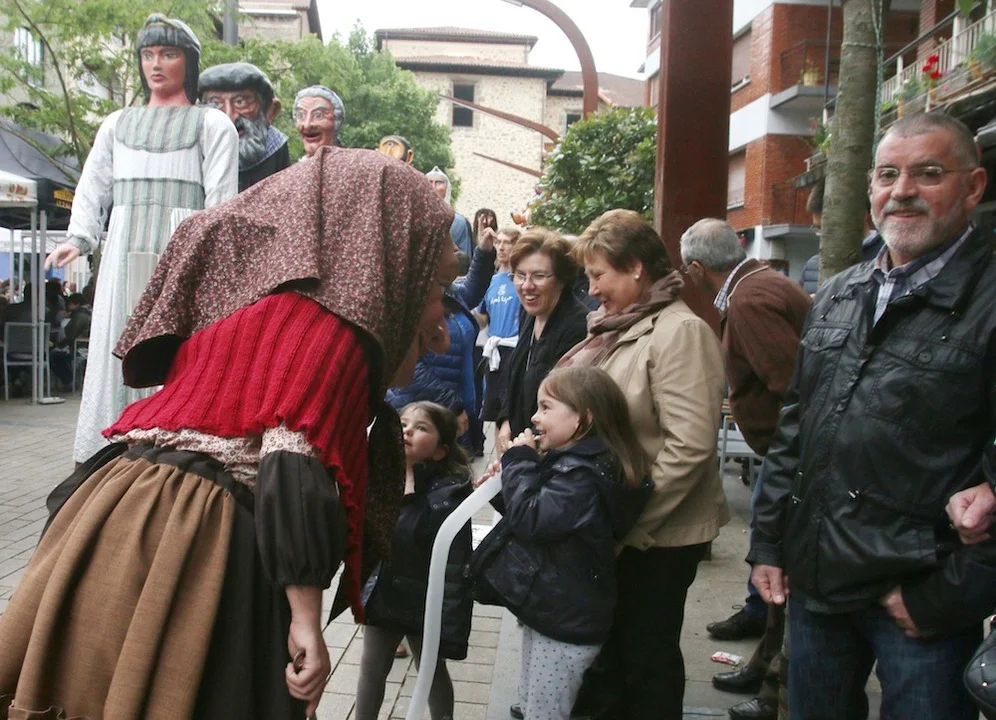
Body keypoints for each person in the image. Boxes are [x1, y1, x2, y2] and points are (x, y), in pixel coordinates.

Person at [0, 146, 458, 719]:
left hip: (115, 506)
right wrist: (306, 621)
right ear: (388, 244)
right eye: (436, 282)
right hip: (201, 534)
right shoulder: (333, 328)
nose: (439, 312)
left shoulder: (257, 305)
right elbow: (291, 459)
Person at [749, 113, 996, 720]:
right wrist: (769, 543)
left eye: (928, 173)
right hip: (817, 585)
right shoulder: (840, 291)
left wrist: (950, 596)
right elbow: (795, 428)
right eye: (888, 175)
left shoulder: (987, 297)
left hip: (920, 598)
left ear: (973, 187)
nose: (902, 190)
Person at [45, 14, 239, 464]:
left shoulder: (212, 125)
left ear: (188, 62)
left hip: (181, 250)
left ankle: (174, 448)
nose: (156, 64)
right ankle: (109, 449)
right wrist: (80, 237)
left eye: (168, 54)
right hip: (123, 246)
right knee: (118, 337)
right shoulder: (116, 124)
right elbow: (93, 185)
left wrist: (213, 263)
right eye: (148, 54)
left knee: (178, 347)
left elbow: (222, 203)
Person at [565, 209, 729, 720]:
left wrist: (629, 526)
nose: (592, 290)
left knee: (645, 661)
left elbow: (689, 447)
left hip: (657, 537)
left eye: (599, 275)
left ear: (636, 267)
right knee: (617, 659)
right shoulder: (624, 325)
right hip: (623, 527)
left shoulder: (680, 332)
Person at [681, 218, 812, 720]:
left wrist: (786, 465)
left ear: (697, 269)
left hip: (791, 460)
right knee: (777, 571)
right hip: (787, 457)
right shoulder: (760, 285)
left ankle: (776, 684)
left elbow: (792, 389)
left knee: (781, 571)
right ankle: (766, 665)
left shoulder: (751, 300)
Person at [471, 365, 652, 720]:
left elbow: (532, 518)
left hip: (564, 621)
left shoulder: (581, 476)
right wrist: (506, 484)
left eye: (546, 407)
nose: (534, 417)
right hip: (553, 611)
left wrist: (519, 463)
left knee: (545, 711)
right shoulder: (575, 464)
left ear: (584, 419)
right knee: (531, 704)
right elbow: (539, 519)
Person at [355, 402, 474, 720]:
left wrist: (450, 621)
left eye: (421, 428)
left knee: (431, 671)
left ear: (440, 450)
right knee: (371, 669)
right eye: (403, 423)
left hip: (424, 601)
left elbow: (446, 555)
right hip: (385, 595)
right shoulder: (381, 475)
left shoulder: (449, 493)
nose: (406, 431)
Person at [387, 229, 497, 457]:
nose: (457, 249)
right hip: (421, 418)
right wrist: (453, 406)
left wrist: (484, 253)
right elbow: (413, 371)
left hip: (449, 414)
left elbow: (471, 292)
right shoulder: (411, 299)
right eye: (450, 245)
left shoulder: (447, 292)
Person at [495, 228, 589, 454]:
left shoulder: (578, 326)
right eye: (520, 275)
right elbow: (516, 374)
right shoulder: (529, 313)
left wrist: (527, 448)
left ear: (562, 279)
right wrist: (506, 419)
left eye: (538, 276)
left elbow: (563, 407)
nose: (527, 286)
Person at [199, 62, 291, 191]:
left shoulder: (275, 146)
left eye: (240, 102)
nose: (229, 116)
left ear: (270, 110)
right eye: (216, 104)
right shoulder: (195, 149)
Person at [798, 179, 883, 296]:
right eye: (819, 228)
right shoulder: (811, 267)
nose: (825, 237)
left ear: (861, 215)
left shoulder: (888, 259)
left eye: (832, 228)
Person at [478, 226, 521, 422]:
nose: (501, 247)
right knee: (494, 413)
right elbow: (482, 319)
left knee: (510, 410)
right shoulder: (490, 281)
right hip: (494, 351)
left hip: (515, 348)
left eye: (507, 243)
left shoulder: (521, 279)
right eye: (498, 242)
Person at [426, 166, 474, 259]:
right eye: (430, 182)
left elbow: (464, 258)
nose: (433, 186)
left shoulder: (459, 222)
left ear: (447, 188)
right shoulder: (416, 217)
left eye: (439, 182)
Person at [294, 85, 344, 158]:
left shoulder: (351, 163)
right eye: (301, 115)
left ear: (336, 121)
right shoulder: (298, 165)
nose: (307, 125)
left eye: (318, 115)